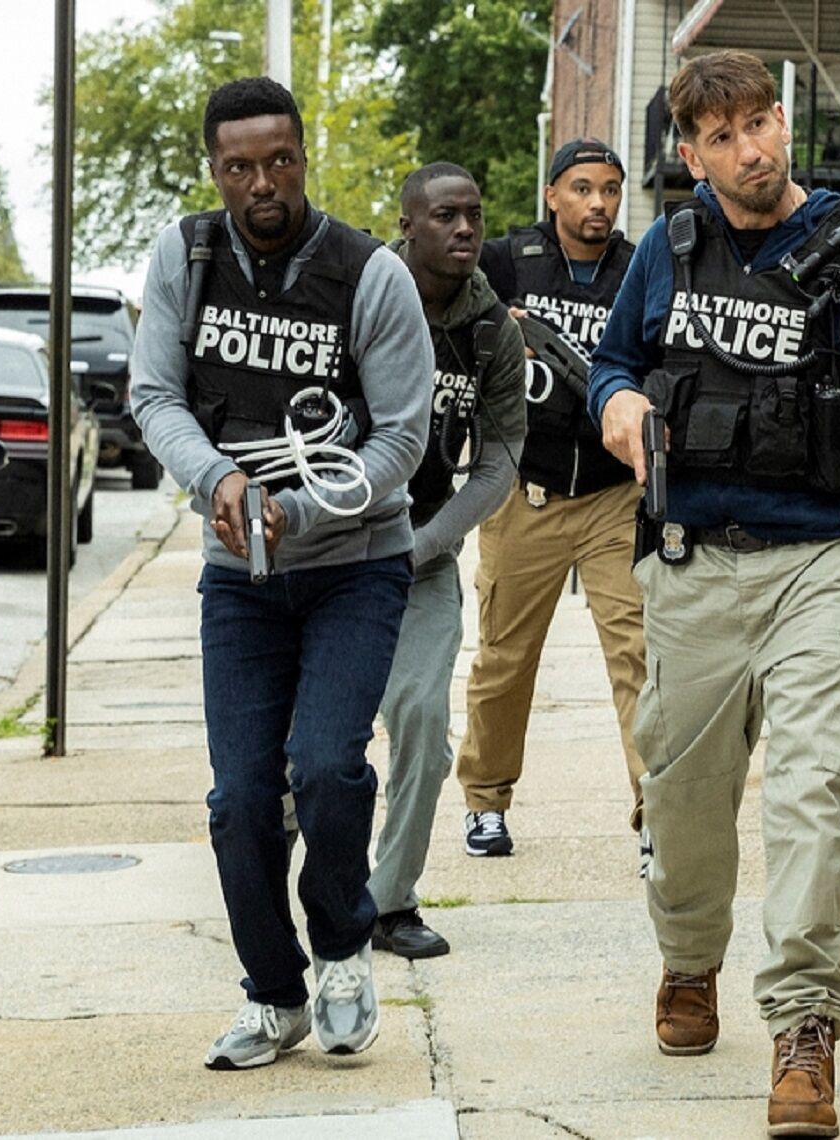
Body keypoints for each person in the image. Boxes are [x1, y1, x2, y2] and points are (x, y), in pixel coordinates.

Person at [589, 50, 840, 1138]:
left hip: (822, 566)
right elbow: (613, 362)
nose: (750, 150)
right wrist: (616, 401)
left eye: (760, 123)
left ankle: (805, 1024)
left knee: (812, 795)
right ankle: (688, 959)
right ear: (693, 156)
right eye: (722, 137)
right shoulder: (669, 250)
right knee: (683, 799)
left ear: (780, 119)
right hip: (691, 565)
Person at [129, 76, 432, 1070]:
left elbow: (403, 440)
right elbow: (154, 395)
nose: (262, 183)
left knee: (328, 766)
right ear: (215, 170)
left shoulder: (370, 274)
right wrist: (217, 478)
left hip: (356, 565)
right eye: (239, 166)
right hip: (240, 576)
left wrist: (298, 508)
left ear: (304, 157)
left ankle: (342, 947)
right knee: (241, 800)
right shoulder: (186, 256)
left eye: (280, 161)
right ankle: (274, 995)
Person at [456, 138, 650, 871]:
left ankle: (657, 815)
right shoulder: (507, 261)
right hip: (525, 492)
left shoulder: (640, 267)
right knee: (504, 660)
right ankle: (485, 801)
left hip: (614, 496)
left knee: (639, 657)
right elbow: (441, 307)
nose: (598, 203)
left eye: (610, 189)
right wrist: (491, 329)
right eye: (582, 188)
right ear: (552, 195)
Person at [368, 162, 528, 959]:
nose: (465, 228)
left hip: (420, 556)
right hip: (328, 552)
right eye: (444, 215)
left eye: (474, 215)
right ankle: (287, 894)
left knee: (425, 727)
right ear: (408, 225)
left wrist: (424, 544)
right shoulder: (359, 296)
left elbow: (499, 466)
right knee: (306, 752)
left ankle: (389, 903)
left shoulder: (493, 330)